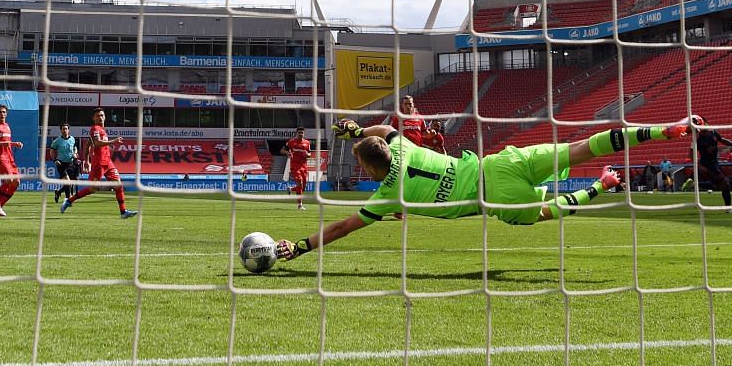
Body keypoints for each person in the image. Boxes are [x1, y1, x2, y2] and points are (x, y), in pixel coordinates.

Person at [274, 116, 699, 260]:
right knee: (580, 147)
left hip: (493, 197)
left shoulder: (387, 194)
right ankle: (666, 129)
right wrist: (357, 130)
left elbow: (342, 227)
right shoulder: (402, 146)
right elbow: (387, 127)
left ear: (368, 167)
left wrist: (299, 246)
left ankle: (601, 186)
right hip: (502, 161)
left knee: (547, 211)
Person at [60, 107, 138, 219]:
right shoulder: (95, 128)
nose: (100, 117)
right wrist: (113, 141)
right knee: (92, 189)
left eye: (102, 115)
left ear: (105, 117)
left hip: (108, 162)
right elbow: (96, 143)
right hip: (99, 163)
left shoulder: (102, 129)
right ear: (93, 118)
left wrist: (86, 160)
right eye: (98, 116)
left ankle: (123, 211)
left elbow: (87, 145)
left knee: (118, 185)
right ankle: (69, 200)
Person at [691, 119, 732, 213]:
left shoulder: (712, 132)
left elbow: (723, 140)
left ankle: (694, 184)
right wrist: (699, 166)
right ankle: (728, 208)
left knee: (717, 186)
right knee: (725, 184)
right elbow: (691, 154)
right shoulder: (697, 139)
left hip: (714, 163)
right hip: (706, 165)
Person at [0, 104, 23, 217]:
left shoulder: (7, 126)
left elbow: (7, 143)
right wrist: (3, 143)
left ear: (6, 113)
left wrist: (15, 144)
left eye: (4, 112)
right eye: (0, 112)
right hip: (0, 158)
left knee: (16, 182)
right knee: (9, 180)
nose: (2, 114)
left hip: (9, 157)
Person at [281, 126, 311, 210]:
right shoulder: (291, 142)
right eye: (299, 132)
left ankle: (291, 188)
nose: (301, 134)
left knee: (303, 186)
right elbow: (282, 150)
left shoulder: (307, 143)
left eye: (302, 133)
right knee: (300, 183)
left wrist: (307, 155)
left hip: (304, 166)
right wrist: (287, 152)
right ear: (296, 133)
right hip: (295, 166)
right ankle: (300, 205)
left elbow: (309, 154)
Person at [50, 123, 80, 203]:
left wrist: (75, 153)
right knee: (68, 182)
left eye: (66, 129)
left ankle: (58, 192)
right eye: (63, 129)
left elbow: (75, 148)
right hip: (61, 164)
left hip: (70, 163)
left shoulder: (72, 139)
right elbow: (52, 151)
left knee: (69, 183)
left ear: (68, 130)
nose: (64, 130)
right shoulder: (57, 141)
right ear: (61, 130)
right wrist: (55, 160)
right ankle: (68, 199)